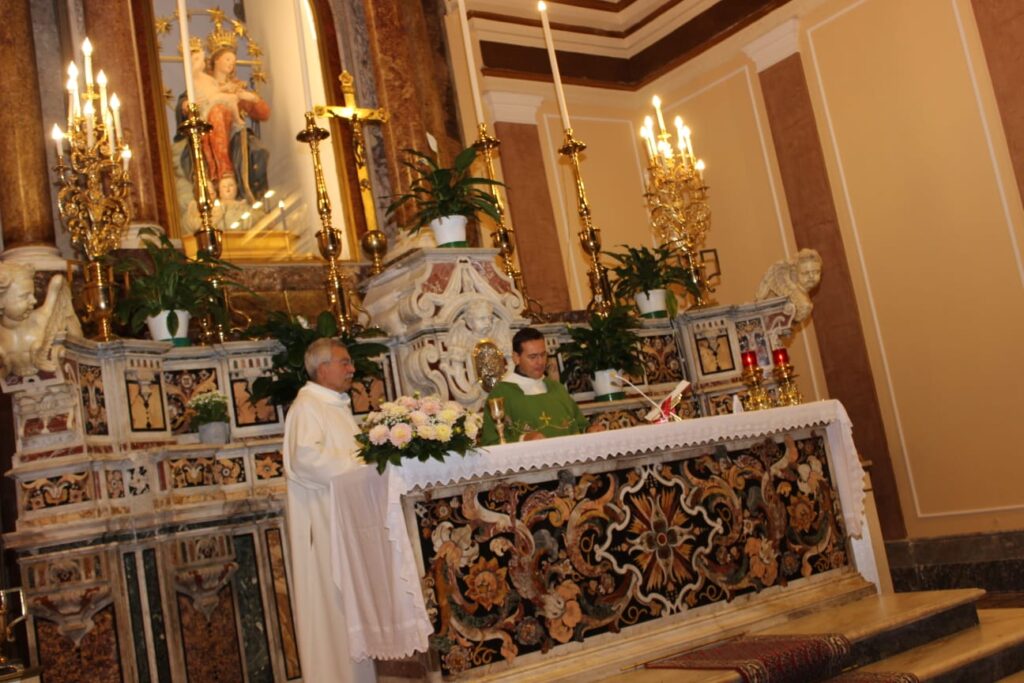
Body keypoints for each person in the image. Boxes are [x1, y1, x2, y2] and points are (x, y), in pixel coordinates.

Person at [283, 338, 376, 682]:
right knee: (332, 608)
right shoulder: (308, 406)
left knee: (349, 607)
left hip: (344, 520)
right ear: (322, 369)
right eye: (345, 362)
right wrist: (361, 468)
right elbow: (305, 460)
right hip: (324, 525)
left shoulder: (333, 405)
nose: (352, 368)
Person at [479, 327, 603, 444]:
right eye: (533, 357)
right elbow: (491, 442)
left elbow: (580, 426)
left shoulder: (556, 388)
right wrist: (523, 439)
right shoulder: (501, 394)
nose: (540, 362)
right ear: (516, 358)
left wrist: (589, 430)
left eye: (543, 355)